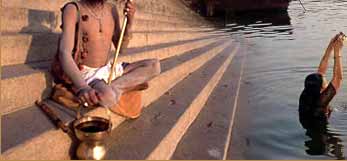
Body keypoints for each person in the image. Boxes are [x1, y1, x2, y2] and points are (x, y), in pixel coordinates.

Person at [58, 0, 161, 109]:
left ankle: (114, 88)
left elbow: (121, 49)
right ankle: (121, 88)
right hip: (89, 74)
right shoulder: (73, 9)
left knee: (154, 66)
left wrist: (129, 22)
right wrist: (83, 87)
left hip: (108, 69)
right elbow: (64, 53)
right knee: (109, 98)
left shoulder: (112, 9)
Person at [299, 33, 344, 129]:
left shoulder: (308, 92)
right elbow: (338, 78)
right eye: (326, 83)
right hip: (321, 135)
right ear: (322, 91)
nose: (328, 82)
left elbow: (320, 72)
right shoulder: (319, 103)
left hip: (308, 120)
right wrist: (338, 52)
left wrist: (330, 46)